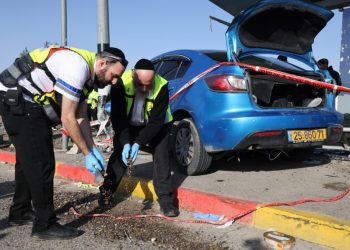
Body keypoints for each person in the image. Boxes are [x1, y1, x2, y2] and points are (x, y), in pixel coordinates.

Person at [0, 46, 127, 240]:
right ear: (102, 63)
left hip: (22, 101)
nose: (114, 81)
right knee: (42, 163)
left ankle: (20, 212)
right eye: (114, 75)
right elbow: (67, 117)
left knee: (28, 159)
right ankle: (44, 225)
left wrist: (93, 149)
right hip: (18, 101)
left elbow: (81, 116)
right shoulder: (77, 67)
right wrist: (85, 154)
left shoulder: (89, 75)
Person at [98, 58, 179, 217]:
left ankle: (165, 200)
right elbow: (118, 118)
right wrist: (127, 142)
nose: (144, 88)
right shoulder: (120, 82)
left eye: (148, 85)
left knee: (162, 156)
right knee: (119, 154)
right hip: (128, 124)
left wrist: (138, 144)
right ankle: (106, 192)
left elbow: (156, 122)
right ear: (134, 75)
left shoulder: (161, 85)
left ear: (154, 78)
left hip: (157, 125)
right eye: (140, 83)